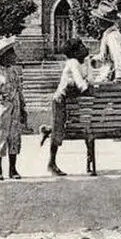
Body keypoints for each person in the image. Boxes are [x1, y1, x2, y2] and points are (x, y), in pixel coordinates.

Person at [40, 37, 94, 177]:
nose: (84, 47)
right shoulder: (72, 62)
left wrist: (87, 83)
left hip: (75, 99)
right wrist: (85, 86)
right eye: (81, 46)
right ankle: (51, 163)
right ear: (74, 53)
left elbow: (90, 78)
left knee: (80, 126)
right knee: (59, 129)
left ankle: (47, 129)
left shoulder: (86, 62)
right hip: (61, 99)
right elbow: (80, 81)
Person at [0, 37, 27, 181]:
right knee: (1, 136)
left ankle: (13, 169)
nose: (15, 56)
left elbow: (19, 90)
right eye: (12, 54)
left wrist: (22, 108)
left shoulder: (14, 72)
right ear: (4, 56)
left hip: (14, 105)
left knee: (14, 137)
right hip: (2, 107)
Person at [92, 2, 121, 81]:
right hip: (109, 72)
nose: (97, 21)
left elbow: (117, 55)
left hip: (113, 76)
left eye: (99, 19)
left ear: (104, 21)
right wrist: (95, 59)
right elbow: (106, 55)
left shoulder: (113, 36)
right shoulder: (107, 35)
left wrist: (119, 76)